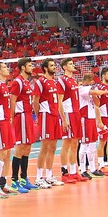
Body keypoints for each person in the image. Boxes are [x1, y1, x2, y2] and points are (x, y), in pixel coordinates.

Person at [0, 61, 20, 194]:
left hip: (6, 121)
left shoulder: (4, 85)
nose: (8, 69)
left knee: (7, 153)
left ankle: (3, 183)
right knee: (1, 153)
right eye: (5, 67)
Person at [34, 58, 67, 187]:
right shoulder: (40, 82)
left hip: (54, 116)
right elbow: (35, 100)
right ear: (46, 68)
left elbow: (58, 102)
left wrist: (62, 118)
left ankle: (49, 175)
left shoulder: (55, 82)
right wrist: (38, 116)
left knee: (53, 147)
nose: (55, 67)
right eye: (52, 65)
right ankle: (38, 177)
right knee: (45, 147)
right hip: (45, 115)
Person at [7, 58, 39, 190]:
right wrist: (11, 117)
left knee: (27, 147)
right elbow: (12, 100)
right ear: (22, 67)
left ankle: (24, 178)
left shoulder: (27, 82)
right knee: (20, 147)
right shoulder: (18, 82)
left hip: (27, 116)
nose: (32, 68)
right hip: (21, 117)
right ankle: (14, 180)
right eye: (29, 66)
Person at [59, 59, 82, 182]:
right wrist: (63, 119)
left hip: (76, 113)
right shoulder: (62, 80)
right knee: (66, 143)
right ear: (64, 67)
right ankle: (64, 172)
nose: (73, 66)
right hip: (68, 113)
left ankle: (74, 171)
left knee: (75, 143)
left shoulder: (74, 80)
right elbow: (59, 101)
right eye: (70, 64)